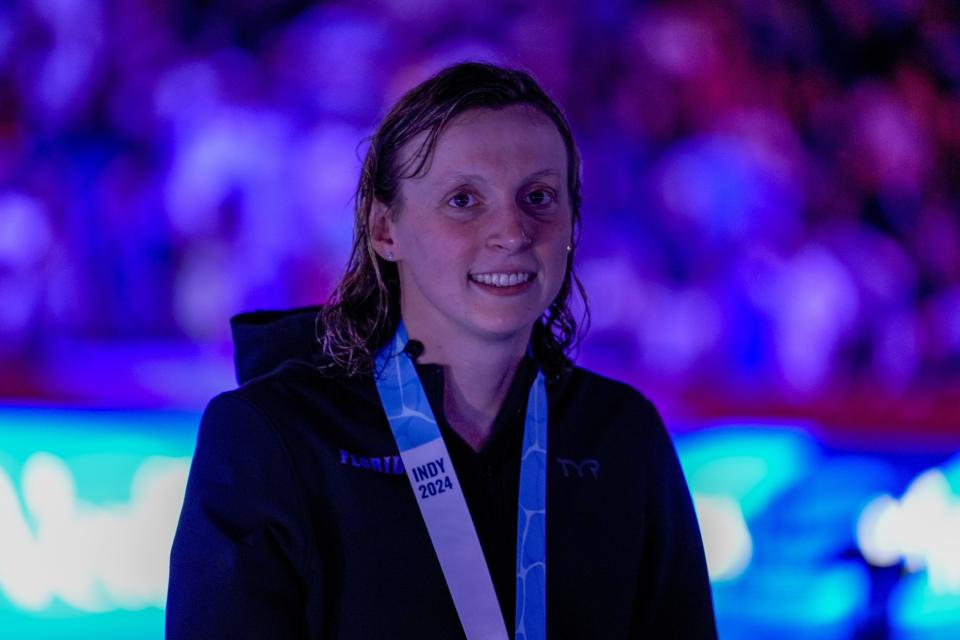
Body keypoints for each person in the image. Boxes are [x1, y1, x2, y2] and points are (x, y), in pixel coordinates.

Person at [167, 61, 717, 639]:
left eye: (539, 196)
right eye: (463, 200)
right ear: (385, 230)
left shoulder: (622, 435)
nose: (513, 232)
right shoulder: (270, 437)